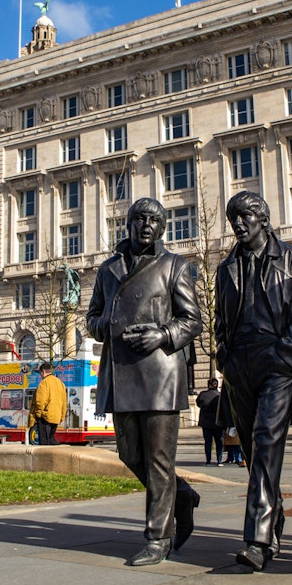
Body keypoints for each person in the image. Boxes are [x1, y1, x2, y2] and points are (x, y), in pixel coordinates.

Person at [214, 191, 292, 571]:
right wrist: (223, 356)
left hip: (275, 361)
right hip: (238, 366)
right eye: (234, 219)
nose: (239, 225)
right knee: (252, 450)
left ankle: (257, 540)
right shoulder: (225, 267)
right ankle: (272, 515)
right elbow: (220, 321)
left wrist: (287, 348)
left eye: (245, 217)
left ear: (262, 218)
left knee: (265, 442)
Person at [88, 197, 203, 565]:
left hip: (159, 373)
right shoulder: (107, 270)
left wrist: (162, 335)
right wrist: (104, 323)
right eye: (140, 218)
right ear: (129, 224)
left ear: (163, 227)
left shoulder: (175, 266)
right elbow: (92, 318)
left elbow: (192, 320)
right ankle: (181, 495)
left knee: (158, 459)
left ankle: (158, 538)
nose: (146, 225)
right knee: (129, 453)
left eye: (154, 219)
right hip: (120, 371)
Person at [28, 361, 67, 446]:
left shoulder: (44, 383)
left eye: (40, 373)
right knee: (51, 438)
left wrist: (38, 414)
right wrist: (62, 416)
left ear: (43, 372)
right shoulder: (60, 383)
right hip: (56, 416)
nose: (41, 376)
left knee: (44, 441)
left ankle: (44, 459)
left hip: (45, 417)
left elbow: (40, 401)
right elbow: (64, 402)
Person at [196, 378, 224, 466]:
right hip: (218, 422)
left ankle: (208, 460)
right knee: (219, 442)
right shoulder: (220, 396)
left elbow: (198, 404)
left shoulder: (203, 395)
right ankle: (219, 460)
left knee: (208, 442)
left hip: (206, 422)